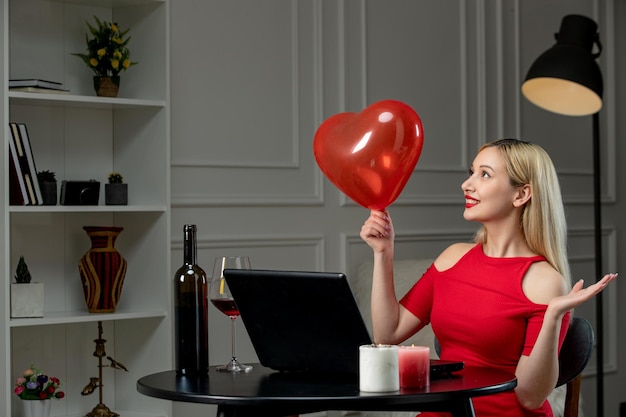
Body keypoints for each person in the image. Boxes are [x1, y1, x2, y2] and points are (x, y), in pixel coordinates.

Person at [360, 138, 617, 417]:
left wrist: (553, 316)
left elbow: (530, 397)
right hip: (444, 410)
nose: (467, 184)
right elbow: (388, 333)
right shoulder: (452, 258)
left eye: (484, 174)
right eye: (471, 172)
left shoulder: (545, 280)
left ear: (521, 195)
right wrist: (383, 253)